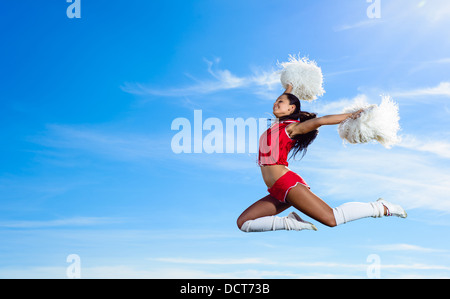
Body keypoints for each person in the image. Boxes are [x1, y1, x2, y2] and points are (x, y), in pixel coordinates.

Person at [237, 85, 407, 233]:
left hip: (287, 183)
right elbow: (284, 100)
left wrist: (353, 114)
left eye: (280, 102)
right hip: (276, 190)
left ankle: (381, 207)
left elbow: (321, 121)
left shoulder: (292, 128)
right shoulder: (276, 126)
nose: (275, 103)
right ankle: (291, 222)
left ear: (291, 109)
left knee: (332, 218)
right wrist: (289, 87)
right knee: (244, 223)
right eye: (276, 101)